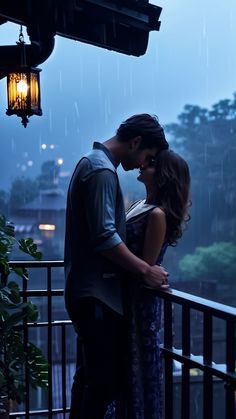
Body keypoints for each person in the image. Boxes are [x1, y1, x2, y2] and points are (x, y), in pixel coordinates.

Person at [64, 114, 170, 419]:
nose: (142, 165)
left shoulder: (94, 163)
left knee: (89, 380)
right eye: (147, 156)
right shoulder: (101, 171)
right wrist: (145, 270)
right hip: (96, 293)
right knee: (103, 383)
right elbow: (104, 236)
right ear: (135, 142)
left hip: (89, 291)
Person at [124, 149, 191, 419]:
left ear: (163, 175)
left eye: (150, 163)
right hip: (125, 297)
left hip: (138, 305)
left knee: (137, 371)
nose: (142, 164)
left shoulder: (157, 215)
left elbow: (146, 267)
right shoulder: (138, 204)